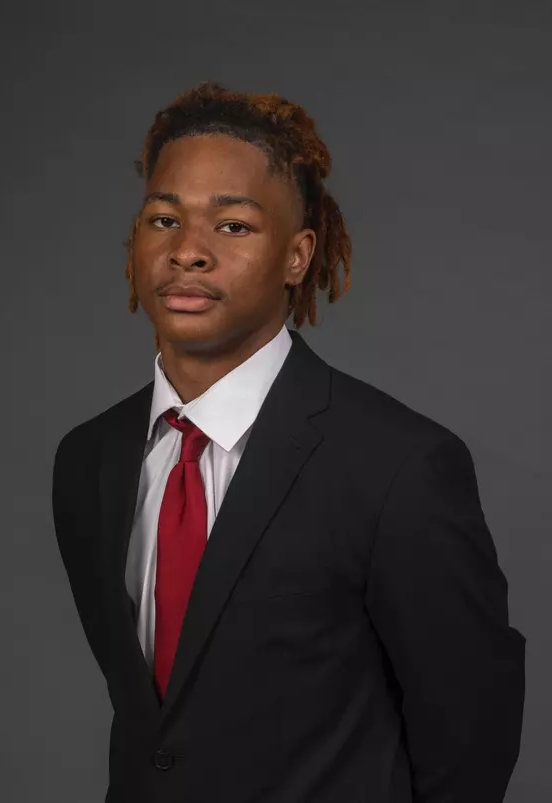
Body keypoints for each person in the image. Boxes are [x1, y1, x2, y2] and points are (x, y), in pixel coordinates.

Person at [51, 81, 526, 803]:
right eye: (163, 218)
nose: (188, 252)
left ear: (298, 255)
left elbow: (471, 732)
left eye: (232, 226)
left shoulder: (396, 466)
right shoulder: (88, 460)